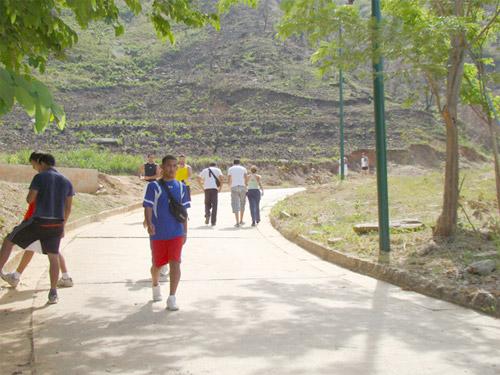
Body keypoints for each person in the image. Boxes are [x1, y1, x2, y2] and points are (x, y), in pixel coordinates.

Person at [0, 153, 74, 304]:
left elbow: (30, 199)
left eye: (35, 165)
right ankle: (53, 292)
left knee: (8, 241)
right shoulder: (67, 181)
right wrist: (63, 226)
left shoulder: (40, 177)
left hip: (38, 221)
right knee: (53, 257)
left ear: (41, 163)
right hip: (57, 224)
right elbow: (68, 208)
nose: (35, 168)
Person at [143, 155, 190, 311]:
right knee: (157, 264)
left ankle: (172, 297)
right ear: (162, 168)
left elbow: (183, 212)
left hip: (176, 232)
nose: (172, 169)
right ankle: (155, 284)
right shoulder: (154, 187)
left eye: (175, 166)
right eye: (169, 166)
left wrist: (185, 232)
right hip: (158, 232)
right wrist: (149, 223)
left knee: (175, 262)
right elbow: (148, 206)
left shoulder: (182, 187)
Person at [227, 159, 248, 227]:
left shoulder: (230, 169)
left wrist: (229, 186)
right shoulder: (243, 168)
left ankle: (237, 222)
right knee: (242, 203)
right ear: (239, 163)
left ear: (233, 163)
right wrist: (246, 185)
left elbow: (229, 178)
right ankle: (241, 220)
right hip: (242, 187)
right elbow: (246, 178)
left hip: (234, 187)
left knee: (235, 203)